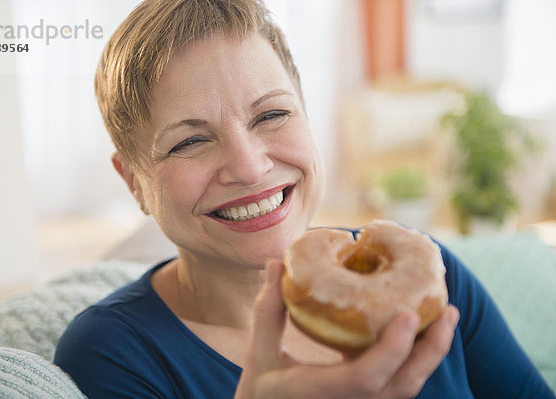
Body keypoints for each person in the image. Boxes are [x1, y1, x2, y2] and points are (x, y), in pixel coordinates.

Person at [54, 0, 555, 398]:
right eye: (190, 141)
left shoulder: (430, 277)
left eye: (272, 115)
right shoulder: (114, 354)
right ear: (133, 182)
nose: (250, 167)